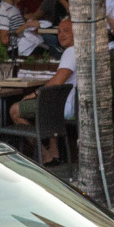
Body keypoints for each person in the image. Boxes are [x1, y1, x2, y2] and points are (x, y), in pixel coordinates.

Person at [10, 18, 77, 165]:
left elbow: (57, 82)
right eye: (59, 31)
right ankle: (54, 152)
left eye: (66, 31)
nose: (61, 35)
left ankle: (43, 153)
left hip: (64, 107)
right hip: (68, 105)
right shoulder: (79, 51)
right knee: (49, 104)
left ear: (77, 33)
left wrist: (34, 94)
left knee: (15, 109)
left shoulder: (71, 52)